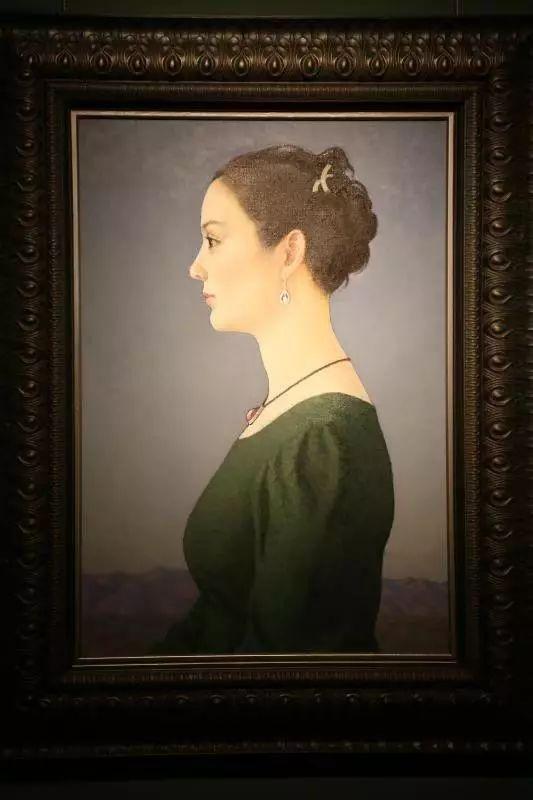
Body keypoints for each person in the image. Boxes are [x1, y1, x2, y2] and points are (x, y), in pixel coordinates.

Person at [151, 144, 395, 655]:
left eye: (213, 240)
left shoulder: (324, 440)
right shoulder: (290, 410)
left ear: (289, 251)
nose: (195, 267)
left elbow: (288, 667)